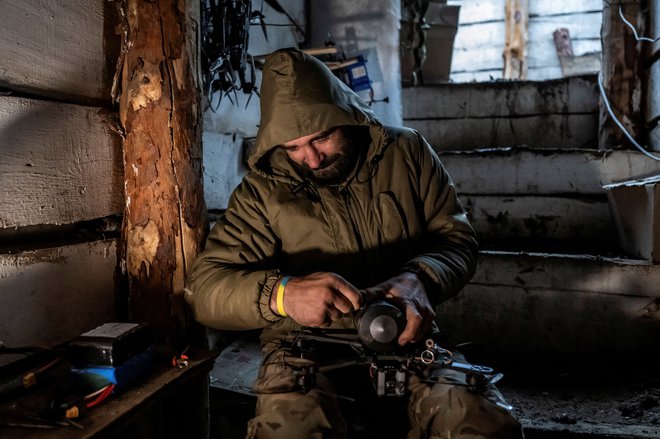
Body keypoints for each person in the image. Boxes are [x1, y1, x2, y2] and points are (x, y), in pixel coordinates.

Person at [185, 48, 524, 439]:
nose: (310, 159)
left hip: (408, 338)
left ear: (344, 115)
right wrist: (283, 295)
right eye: (293, 148)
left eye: (322, 138)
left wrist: (421, 279)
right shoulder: (262, 192)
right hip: (304, 347)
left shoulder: (407, 153)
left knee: (480, 425)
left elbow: (457, 240)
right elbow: (204, 290)